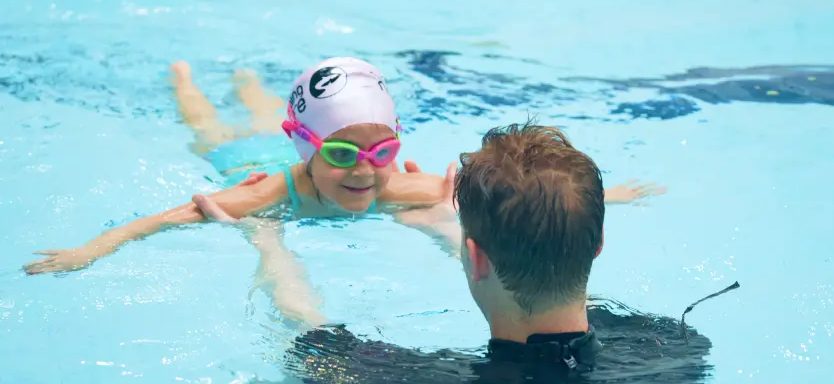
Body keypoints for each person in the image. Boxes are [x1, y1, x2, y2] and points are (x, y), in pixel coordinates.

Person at [22, 57, 665, 325]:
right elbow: (164, 219)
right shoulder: (265, 194)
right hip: (238, 157)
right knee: (209, 124)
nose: (365, 171)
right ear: (307, 148)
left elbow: (508, 199)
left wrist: (614, 199)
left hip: (285, 138)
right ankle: (185, 77)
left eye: (381, 150)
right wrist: (93, 249)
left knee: (249, 95)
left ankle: (248, 77)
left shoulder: (395, 185)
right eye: (341, 154)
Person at [195, 121, 732, 383]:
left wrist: (265, 239)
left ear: (473, 257)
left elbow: (306, 333)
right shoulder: (676, 349)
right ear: (598, 246)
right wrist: (444, 227)